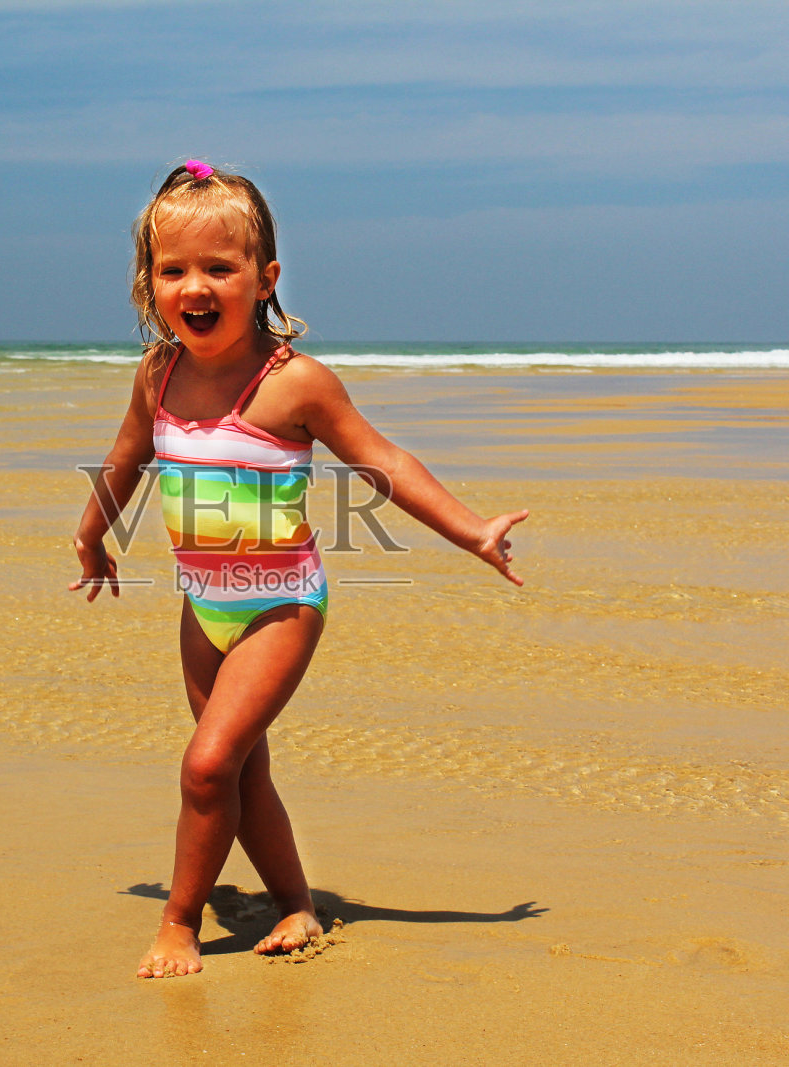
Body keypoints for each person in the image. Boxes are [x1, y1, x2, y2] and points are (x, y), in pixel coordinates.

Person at [71, 160, 528, 979]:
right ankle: (295, 904)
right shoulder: (157, 376)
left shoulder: (295, 385)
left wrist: (472, 530)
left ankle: (180, 920)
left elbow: (384, 459)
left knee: (208, 765)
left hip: (281, 604)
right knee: (242, 768)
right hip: (200, 605)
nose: (195, 286)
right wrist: (90, 534)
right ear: (150, 282)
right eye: (173, 270)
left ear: (264, 277)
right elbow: (124, 461)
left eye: (220, 267)